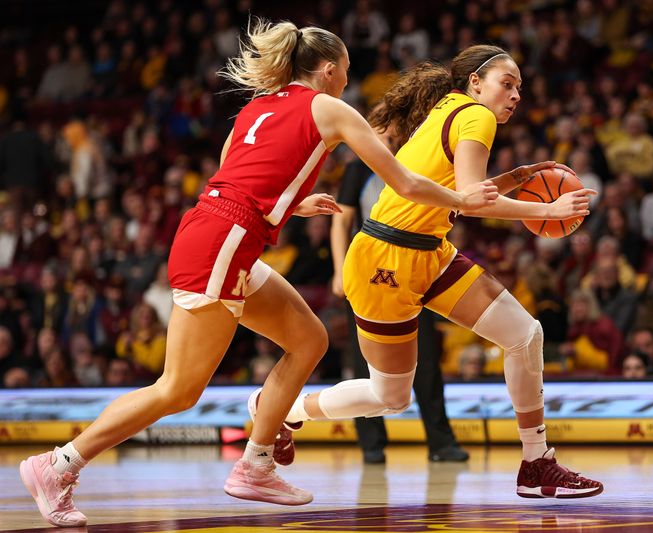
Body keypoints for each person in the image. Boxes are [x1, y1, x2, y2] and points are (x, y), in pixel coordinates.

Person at [19, 20, 499, 528]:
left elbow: (231, 174)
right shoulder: (330, 107)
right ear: (331, 70)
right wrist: (460, 198)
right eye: (347, 73)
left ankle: (256, 461)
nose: (347, 82)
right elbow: (402, 181)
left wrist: (289, 203)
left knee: (309, 339)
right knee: (178, 389)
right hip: (223, 245)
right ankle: (59, 464)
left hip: (220, 233)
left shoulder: (257, 106)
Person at [252, 45, 601, 498]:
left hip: (428, 250)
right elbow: (474, 200)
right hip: (386, 258)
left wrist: (514, 177)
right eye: (507, 83)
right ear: (475, 82)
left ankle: (537, 462)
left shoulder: (451, 108)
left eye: (520, 87)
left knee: (525, 334)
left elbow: (458, 190)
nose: (516, 94)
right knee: (390, 398)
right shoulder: (477, 116)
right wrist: (550, 209)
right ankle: (285, 409)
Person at [330, 114, 468, 464]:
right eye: (384, 137)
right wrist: (337, 269)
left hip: (415, 269)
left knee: (427, 359)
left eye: (394, 138)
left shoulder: (416, 162)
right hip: (368, 270)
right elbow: (340, 219)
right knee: (365, 362)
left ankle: (440, 441)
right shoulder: (358, 170)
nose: (389, 143)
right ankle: (372, 444)